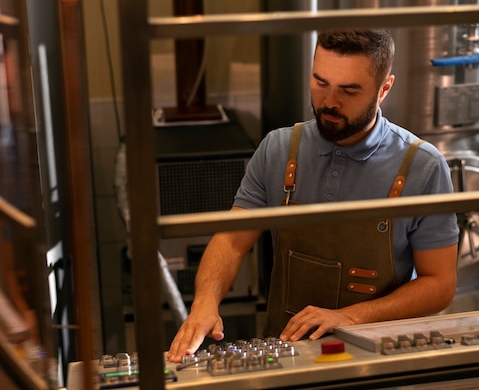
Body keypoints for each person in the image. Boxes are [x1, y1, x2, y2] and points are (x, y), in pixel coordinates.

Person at [167, 29, 459, 363]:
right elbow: (232, 240)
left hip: (379, 358)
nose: (330, 102)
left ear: (384, 89)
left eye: (349, 90)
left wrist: (351, 317)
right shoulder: (277, 149)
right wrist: (205, 302)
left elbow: (439, 284)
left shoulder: (423, 167)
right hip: (287, 353)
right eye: (321, 83)